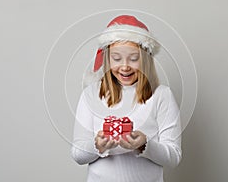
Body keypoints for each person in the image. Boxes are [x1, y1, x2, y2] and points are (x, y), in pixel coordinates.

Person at [71, 15, 182, 182]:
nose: (124, 66)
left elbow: (173, 156)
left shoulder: (161, 95)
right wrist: (98, 146)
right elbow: (78, 155)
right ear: (107, 59)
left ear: (146, 59)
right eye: (116, 58)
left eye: (134, 58)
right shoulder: (91, 95)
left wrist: (144, 146)